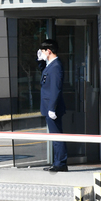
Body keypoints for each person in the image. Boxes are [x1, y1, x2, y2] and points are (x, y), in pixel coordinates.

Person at [38, 39, 67, 172]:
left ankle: (60, 163)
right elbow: (42, 73)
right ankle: (57, 162)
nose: (42, 53)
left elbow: (55, 89)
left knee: (57, 136)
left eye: (43, 51)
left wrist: (52, 108)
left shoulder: (56, 67)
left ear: (48, 51)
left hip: (52, 107)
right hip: (49, 106)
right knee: (55, 136)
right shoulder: (50, 64)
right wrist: (40, 61)